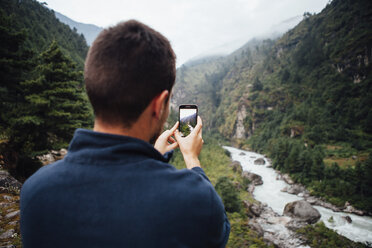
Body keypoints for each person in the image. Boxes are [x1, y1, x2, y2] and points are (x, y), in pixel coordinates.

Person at [20, 20, 230, 247]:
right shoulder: (194, 199)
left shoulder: (35, 191)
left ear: (93, 90)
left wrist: (153, 154)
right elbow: (217, 235)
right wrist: (192, 158)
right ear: (159, 105)